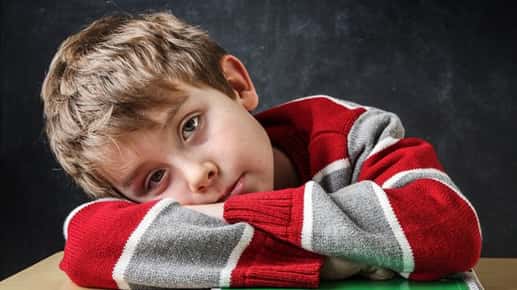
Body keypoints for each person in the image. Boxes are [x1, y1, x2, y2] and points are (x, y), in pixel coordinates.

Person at [40, 11, 482, 289]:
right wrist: (346, 254)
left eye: (190, 126)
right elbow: (86, 243)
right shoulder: (179, 191)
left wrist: (214, 227)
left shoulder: (350, 135)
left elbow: (447, 226)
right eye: (155, 179)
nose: (198, 176)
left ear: (236, 86)